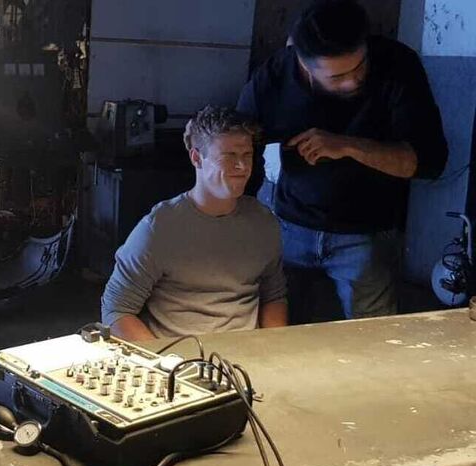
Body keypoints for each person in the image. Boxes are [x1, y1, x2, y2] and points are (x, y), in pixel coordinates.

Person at [237, 0, 448, 322]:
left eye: (359, 67)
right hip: (290, 225)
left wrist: (349, 146)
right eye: (337, 77)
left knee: (370, 335)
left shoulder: (396, 64)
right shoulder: (274, 77)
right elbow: (240, 145)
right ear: (304, 66)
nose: (352, 81)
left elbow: (429, 162)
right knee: (279, 332)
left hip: (368, 233)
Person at [101, 106, 288, 341]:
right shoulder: (159, 228)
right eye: (229, 156)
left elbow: (274, 295)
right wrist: (163, 358)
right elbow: (117, 310)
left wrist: (273, 345)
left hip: (245, 354)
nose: (242, 166)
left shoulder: (263, 222)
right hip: (178, 354)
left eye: (247, 155)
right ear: (197, 158)